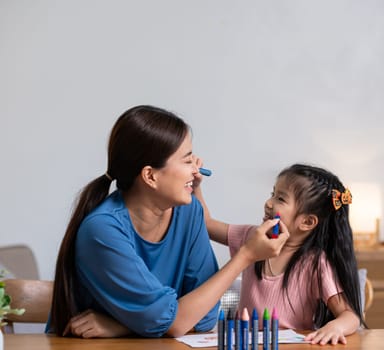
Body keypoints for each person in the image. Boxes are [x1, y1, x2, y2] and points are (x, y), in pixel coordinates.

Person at [48, 105, 289, 338]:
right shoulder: (102, 229)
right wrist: (245, 256)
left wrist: (125, 325)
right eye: (187, 161)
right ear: (150, 175)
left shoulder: (189, 212)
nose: (196, 171)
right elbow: (176, 323)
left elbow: (204, 317)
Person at [194, 163, 366, 345]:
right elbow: (206, 223)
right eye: (272, 194)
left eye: (280, 199)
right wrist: (195, 187)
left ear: (307, 222)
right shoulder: (252, 237)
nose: (268, 203)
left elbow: (350, 316)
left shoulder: (315, 263)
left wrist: (336, 327)